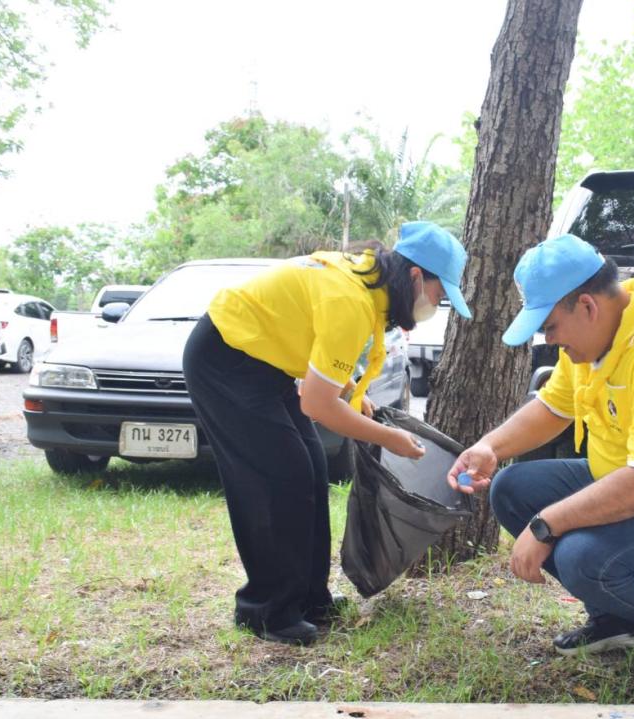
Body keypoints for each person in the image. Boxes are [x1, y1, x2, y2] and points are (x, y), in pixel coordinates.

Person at [448, 235, 634, 686]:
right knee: (511, 488)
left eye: (550, 326)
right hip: (627, 482)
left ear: (588, 306)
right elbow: (554, 407)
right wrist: (490, 447)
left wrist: (545, 526)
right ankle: (624, 618)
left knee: (581, 555)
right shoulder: (595, 340)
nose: (549, 339)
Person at [183, 222, 470, 644]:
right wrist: (386, 437)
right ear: (414, 277)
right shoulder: (351, 300)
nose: (437, 304)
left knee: (311, 468)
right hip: (225, 359)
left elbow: (316, 343)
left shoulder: (368, 289)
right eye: (438, 293)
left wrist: (352, 390)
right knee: (279, 478)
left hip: (265, 362)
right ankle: (267, 611)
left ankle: (311, 599)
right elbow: (316, 405)